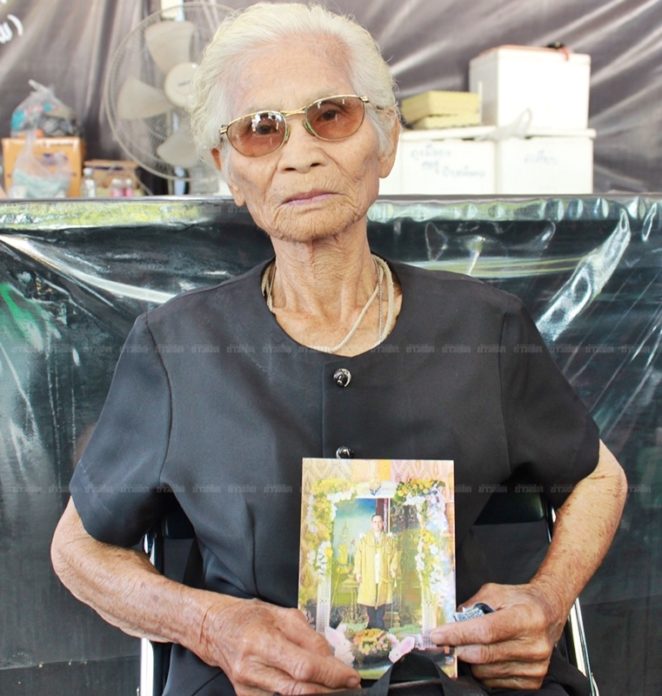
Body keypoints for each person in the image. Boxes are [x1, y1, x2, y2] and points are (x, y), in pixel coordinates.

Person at [50, 3, 627, 696]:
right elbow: (78, 547)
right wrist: (211, 625)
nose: (299, 154)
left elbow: (599, 476)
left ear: (385, 141)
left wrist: (548, 600)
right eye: (261, 129)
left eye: (331, 115)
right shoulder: (178, 348)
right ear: (228, 169)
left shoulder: (484, 327)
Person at [354, 514, 398, 629]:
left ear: (383, 524)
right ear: (371, 524)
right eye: (375, 522)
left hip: (383, 574)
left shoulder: (389, 540)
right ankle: (372, 622)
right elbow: (358, 556)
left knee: (382, 597)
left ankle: (380, 623)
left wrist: (393, 569)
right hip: (369, 574)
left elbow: (395, 555)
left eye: (379, 522)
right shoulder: (364, 540)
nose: (377, 524)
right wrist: (358, 572)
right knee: (370, 598)